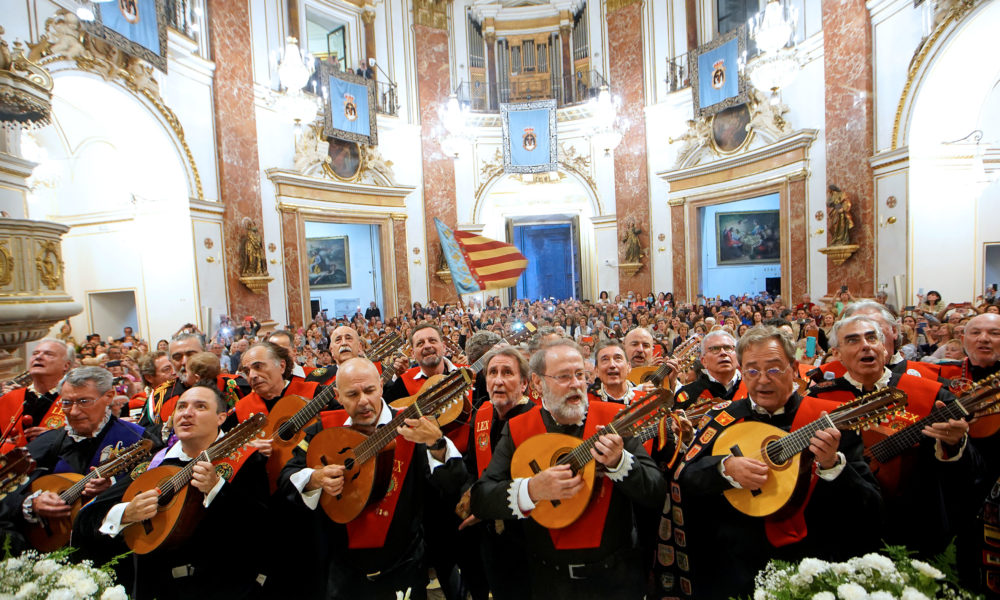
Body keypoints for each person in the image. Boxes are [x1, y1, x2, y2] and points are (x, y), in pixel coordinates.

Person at [657, 326, 882, 599]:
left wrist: (832, 465)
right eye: (752, 370)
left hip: (810, 565)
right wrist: (724, 469)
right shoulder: (723, 417)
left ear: (794, 367)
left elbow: (869, 503)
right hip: (734, 567)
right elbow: (686, 477)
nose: (762, 380)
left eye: (774, 369)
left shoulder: (828, 420)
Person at [470, 340, 666, 600]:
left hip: (617, 580)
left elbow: (655, 491)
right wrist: (531, 490)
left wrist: (620, 462)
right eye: (563, 376)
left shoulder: (614, 419)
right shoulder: (518, 428)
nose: (576, 384)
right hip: (549, 582)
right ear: (538, 384)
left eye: (580, 375)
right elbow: (481, 498)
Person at [278, 358, 466, 599]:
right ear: (337, 395)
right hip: (343, 569)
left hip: (404, 563)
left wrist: (436, 442)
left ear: (380, 385)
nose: (364, 401)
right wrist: (316, 478)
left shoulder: (415, 426)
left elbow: (452, 481)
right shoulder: (323, 428)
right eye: (352, 394)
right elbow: (287, 477)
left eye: (369, 390)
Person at [75, 384, 269, 599]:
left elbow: (262, 529)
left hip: (220, 590)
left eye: (200, 406)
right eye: (181, 407)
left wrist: (217, 489)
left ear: (221, 418)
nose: (187, 413)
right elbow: (88, 518)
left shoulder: (247, 459)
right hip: (155, 588)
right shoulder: (155, 463)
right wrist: (126, 513)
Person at [809, 315, 959, 557]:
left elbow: (966, 472)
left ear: (884, 347)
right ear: (836, 353)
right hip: (843, 530)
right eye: (853, 340)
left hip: (916, 527)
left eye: (871, 338)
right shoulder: (817, 399)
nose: (865, 345)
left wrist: (955, 444)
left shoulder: (930, 393)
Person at [5, 367, 152, 550]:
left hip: (114, 549)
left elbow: (153, 494)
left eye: (84, 401)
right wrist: (30, 503)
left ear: (109, 396)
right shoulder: (49, 441)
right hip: (50, 549)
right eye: (66, 403)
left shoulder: (139, 440)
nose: (73, 412)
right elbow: (5, 490)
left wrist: (113, 488)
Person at [0, 339, 73, 452]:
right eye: (35, 353)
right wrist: (5, 445)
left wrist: (55, 438)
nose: (38, 357)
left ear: (66, 365)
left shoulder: (76, 400)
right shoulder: (8, 399)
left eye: (48, 354)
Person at [675, 330, 747, 409]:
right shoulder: (688, 394)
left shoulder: (754, 388)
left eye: (728, 348)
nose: (723, 353)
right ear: (704, 361)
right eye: (715, 349)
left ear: (737, 356)